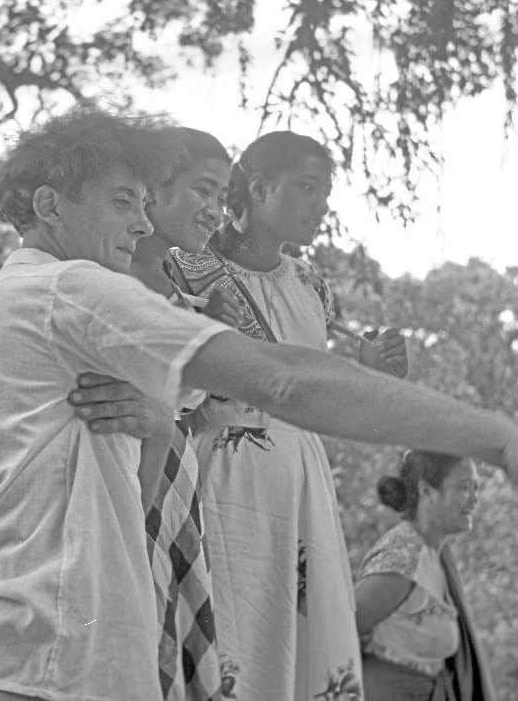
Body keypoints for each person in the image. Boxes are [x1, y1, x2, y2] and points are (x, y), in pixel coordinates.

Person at [0, 108, 518, 701]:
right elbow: (282, 380)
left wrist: (155, 425)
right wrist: (500, 440)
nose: (143, 223)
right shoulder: (67, 288)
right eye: (122, 202)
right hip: (40, 674)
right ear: (49, 205)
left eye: (145, 203)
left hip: (2, 663)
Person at [166, 130, 406, 699]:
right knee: (227, 629)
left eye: (325, 192)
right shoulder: (185, 269)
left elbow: (320, 398)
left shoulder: (311, 286)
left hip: (299, 482)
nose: (320, 204)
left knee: (294, 642)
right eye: (306, 188)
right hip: (219, 480)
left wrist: (372, 371)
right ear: (257, 187)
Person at [72, 127, 238, 701]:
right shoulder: (109, 284)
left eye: (221, 198)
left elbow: (182, 415)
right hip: (131, 487)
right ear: (155, 189)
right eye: (203, 191)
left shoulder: (174, 288)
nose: (215, 212)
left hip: (173, 483)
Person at [355, 452, 496, 701]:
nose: (475, 498)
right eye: (464, 487)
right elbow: (340, 628)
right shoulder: (403, 556)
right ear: (427, 491)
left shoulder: (435, 555)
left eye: (477, 487)